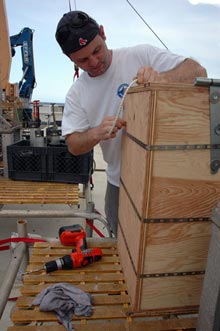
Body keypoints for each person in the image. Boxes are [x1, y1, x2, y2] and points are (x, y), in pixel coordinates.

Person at [55, 10, 207, 237]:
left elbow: (197, 72)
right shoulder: (76, 94)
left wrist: (162, 79)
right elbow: (74, 145)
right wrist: (96, 133)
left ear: (103, 34)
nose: (94, 62)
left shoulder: (141, 55)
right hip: (119, 183)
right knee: (121, 243)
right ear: (71, 60)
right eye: (83, 60)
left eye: (97, 50)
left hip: (166, 176)